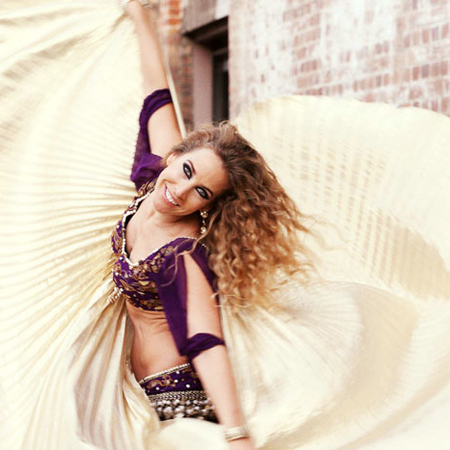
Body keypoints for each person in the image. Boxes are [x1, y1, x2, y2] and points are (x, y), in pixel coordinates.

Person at [112, 1, 315, 447]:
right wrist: (140, 17)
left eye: (201, 192)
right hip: (129, 389)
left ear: (209, 204)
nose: (181, 191)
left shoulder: (181, 255)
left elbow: (207, 339)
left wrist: (236, 434)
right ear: (177, 155)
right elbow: (156, 90)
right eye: (187, 172)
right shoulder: (156, 180)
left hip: (174, 399)